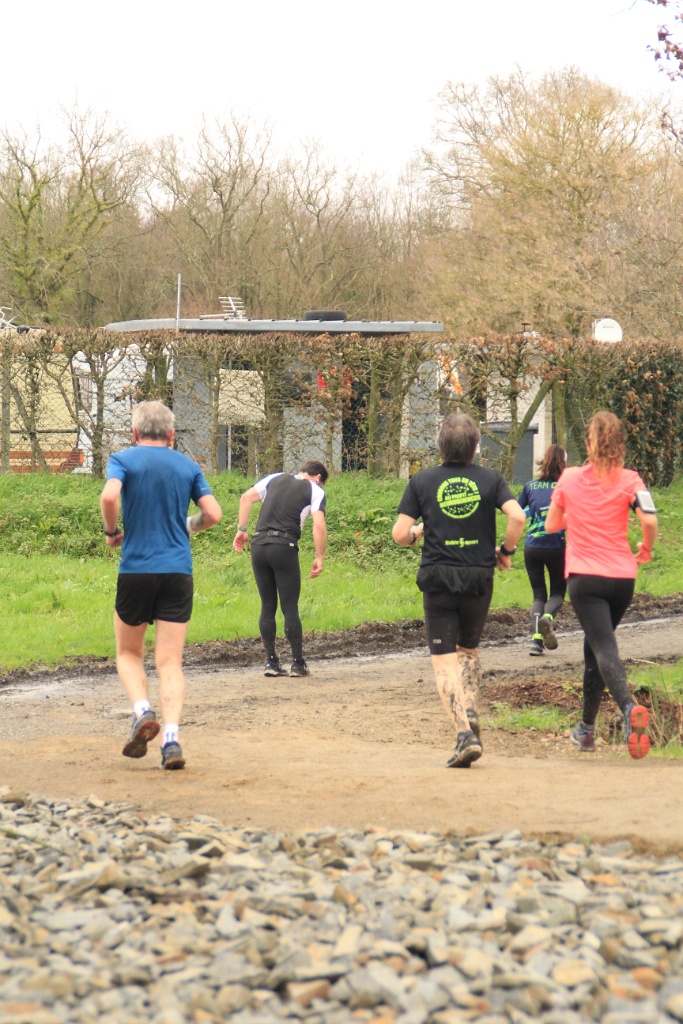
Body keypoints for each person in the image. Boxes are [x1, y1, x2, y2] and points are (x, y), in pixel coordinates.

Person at [392, 413, 525, 768]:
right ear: (476, 447)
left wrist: (417, 533)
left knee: (443, 660)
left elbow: (399, 534)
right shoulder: (491, 479)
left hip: (438, 578)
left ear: (440, 446)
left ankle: (464, 734)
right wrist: (506, 551)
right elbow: (518, 517)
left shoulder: (421, 481)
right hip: (478, 578)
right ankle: (469, 707)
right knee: (468, 651)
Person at [100, 401, 222, 770]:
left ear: (134, 432)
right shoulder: (187, 465)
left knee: (128, 653)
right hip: (177, 572)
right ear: (171, 434)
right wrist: (187, 525)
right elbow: (214, 514)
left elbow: (109, 496)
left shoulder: (123, 460)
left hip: (136, 569)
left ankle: (142, 712)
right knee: (169, 661)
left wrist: (111, 531)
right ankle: (171, 740)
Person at [545, 410, 657, 759]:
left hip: (586, 579)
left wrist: (577, 514)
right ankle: (586, 731)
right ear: (619, 443)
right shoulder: (631, 480)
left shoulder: (569, 478)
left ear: (589, 443)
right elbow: (650, 520)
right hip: (622, 579)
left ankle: (628, 708)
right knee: (595, 646)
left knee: (604, 648)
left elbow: (551, 525)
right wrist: (646, 548)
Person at [233, 460, 328, 677]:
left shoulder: (274, 478)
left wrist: (242, 529)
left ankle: (271, 662)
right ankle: (297, 664)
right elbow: (319, 525)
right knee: (289, 607)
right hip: (284, 546)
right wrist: (319, 556)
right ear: (318, 478)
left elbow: (246, 498)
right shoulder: (315, 490)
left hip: (258, 545)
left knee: (267, 606)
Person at [517, 444, 567, 656]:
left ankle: (536, 643)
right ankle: (547, 618)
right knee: (557, 593)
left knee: (538, 595)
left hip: (532, 547)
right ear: (563, 463)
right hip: (557, 545)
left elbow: (518, 513)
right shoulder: (565, 487)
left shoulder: (530, 486)